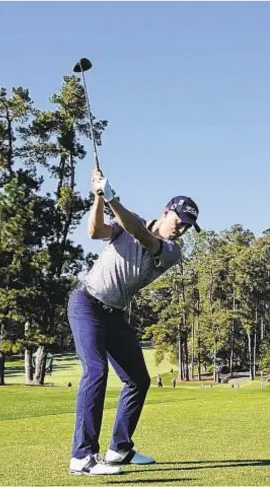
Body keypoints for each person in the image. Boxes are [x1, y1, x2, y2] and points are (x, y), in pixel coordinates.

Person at [67, 169, 200, 476]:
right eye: (179, 221)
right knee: (96, 372)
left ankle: (119, 450)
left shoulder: (170, 251)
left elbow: (141, 234)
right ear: (166, 212)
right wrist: (99, 198)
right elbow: (95, 231)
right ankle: (82, 457)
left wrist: (113, 197)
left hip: (114, 314)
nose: (181, 229)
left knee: (138, 379)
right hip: (86, 303)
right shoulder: (128, 220)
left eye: (187, 227)